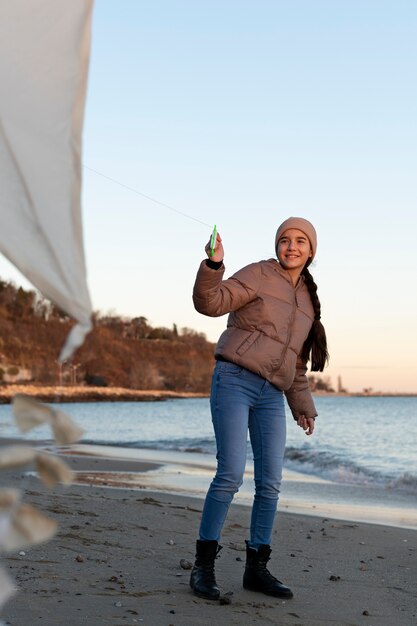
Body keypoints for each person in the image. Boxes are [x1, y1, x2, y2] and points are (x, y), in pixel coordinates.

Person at [190, 217, 328, 601]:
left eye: (300, 241)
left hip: (271, 395)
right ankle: (203, 566)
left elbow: (295, 365)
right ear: (278, 245)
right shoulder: (259, 273)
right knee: (231, 473)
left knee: (270, 484)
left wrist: (303, 406)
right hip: (234, 379)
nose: (292, 246)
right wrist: (214, 266)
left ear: (311, 250)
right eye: (285, 240)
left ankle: (257, 568)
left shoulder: (308, 302)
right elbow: (210, 303)